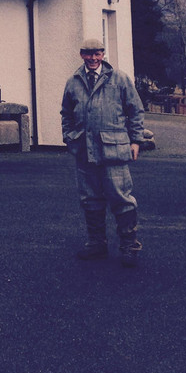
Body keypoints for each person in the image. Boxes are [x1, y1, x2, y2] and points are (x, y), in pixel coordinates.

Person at [60, 38, 146, 267]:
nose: (92, 58)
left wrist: (136, 140)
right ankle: (96, 244)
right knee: (90, 200)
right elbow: (66, 114)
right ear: (81, 55)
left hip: (114, 150)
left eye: (97, 53)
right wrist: (69, 138)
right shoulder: (73, 82)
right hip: (84, 152)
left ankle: (129, 246)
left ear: (103, 54)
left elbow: (135, 110)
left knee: (122, 200)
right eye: (88, 54)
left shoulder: (119, 79)